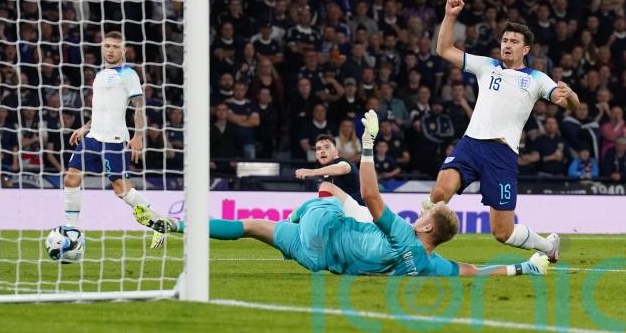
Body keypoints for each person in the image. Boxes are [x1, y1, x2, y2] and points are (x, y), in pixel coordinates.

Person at [135, 111, 549, 277]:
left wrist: (367, 145)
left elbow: (370, 194)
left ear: (426, 226)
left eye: (424, 214)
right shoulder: (427, 264)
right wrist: (523, 268)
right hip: (317, 260)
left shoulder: (403, 234)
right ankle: (174, 226)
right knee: (254, 226)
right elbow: (473, 272)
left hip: (324, 229)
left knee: (328, 194)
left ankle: (174, 224)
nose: (419, 214)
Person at [426, 0, 580, 262]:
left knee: (502, 232)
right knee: (440, 192)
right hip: (471, 145)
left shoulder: (536, 79)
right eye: (505, 40)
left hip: (502, 154)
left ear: (526, 49)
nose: (507, 45)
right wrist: (450, 16)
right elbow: (444, 49)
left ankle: (548, 247)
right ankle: (416, 246)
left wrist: (571, 95)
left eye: (514, 41)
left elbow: (568, 103)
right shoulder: (487, 66)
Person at [62, 31, 158, 229]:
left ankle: (158, 221)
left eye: (115, 47)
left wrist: (138, 136)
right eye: (107, 46)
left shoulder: (128, 74)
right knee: (71, 178)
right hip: (93, 138)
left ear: (124, 50)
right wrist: (84, 128)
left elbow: (139, 107)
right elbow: (101, 110)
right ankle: (72, 230)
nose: (111, 50)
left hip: (114, 140)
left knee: (122, 190)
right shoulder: (99, 75)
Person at [294, 133, 362, 208]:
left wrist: (312, 172)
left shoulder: (342, 162)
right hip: (342, 211)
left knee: (325, 186)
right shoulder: (325, 174)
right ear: (316, 155)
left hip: (358, 209)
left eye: (327, 147)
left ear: (336, 152)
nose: (322, 151)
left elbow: (344, 168)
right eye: (319, 149)